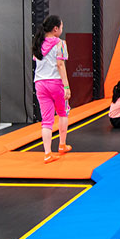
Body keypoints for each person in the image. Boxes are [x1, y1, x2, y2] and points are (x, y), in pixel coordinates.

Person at [32, 15, 72, 164]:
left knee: (47, 120)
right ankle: (62, 144)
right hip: (56, 83)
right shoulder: (60, 44)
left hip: (40, 83)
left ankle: (47, 153)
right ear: (56, 29)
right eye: (61, 27)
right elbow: (60, 65)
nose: (62, 29)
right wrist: (66, 86)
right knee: (63, 112)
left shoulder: (38, 43)